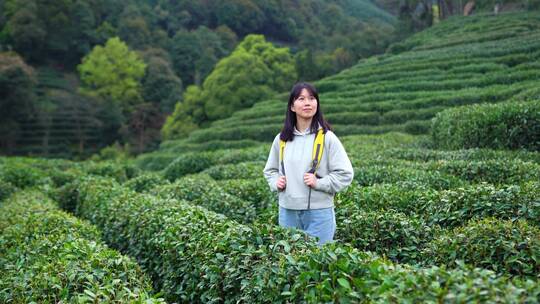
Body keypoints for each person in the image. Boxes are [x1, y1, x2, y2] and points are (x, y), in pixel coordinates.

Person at [263, 82, 354, 245]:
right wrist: (275, 182)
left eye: (312, 98)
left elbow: (345, 173)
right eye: (301, 99)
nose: (307, 103)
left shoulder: (328, 138)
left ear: (317, 104)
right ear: (292, 106)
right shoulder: (282, 139)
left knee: (317, 263)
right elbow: (270, 171)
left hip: (319, 214)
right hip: (287, 212)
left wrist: (319, 183)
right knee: (291, 262)